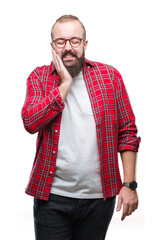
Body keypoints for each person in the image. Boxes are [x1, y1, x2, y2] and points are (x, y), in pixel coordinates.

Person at [21, 15, 141, 240]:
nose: (68, 47)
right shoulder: (39, 77)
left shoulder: (109, 77)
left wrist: (129, 184)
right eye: (61, 42)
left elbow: (127, 132)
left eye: (74, 41)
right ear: (52, 46)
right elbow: (30, 122)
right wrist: (65, 84)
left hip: (98, 199)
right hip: (52, 198)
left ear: (85, 44)